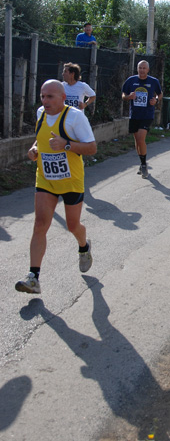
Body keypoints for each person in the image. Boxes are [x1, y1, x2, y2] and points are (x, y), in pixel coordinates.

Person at [15, 80, 97, 294]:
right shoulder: (41, 112)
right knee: (40, 224)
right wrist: (34, 150)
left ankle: (84, 246)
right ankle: (33, 277)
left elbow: (92, 147)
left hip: (71, 180)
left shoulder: (76, 117)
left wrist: (66, 145)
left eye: (50, 96)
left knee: (72, 226)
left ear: (63, 97)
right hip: (45, 178)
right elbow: (40, 139)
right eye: (43, 96)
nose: (45, 100)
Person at [122, 60, 163, 178]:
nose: (142, 70)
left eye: (144, 68)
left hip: (147, 114)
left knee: (141, 138)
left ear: (148, 70)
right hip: (134, 114)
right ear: (137, 69)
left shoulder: (153, 81)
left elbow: (160, 94)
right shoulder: (131, 80)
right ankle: (141, 162)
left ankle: (144, 165)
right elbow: (123, 95)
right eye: (140, 68)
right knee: (137, 141)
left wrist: (156, 100)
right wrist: (128, 97)